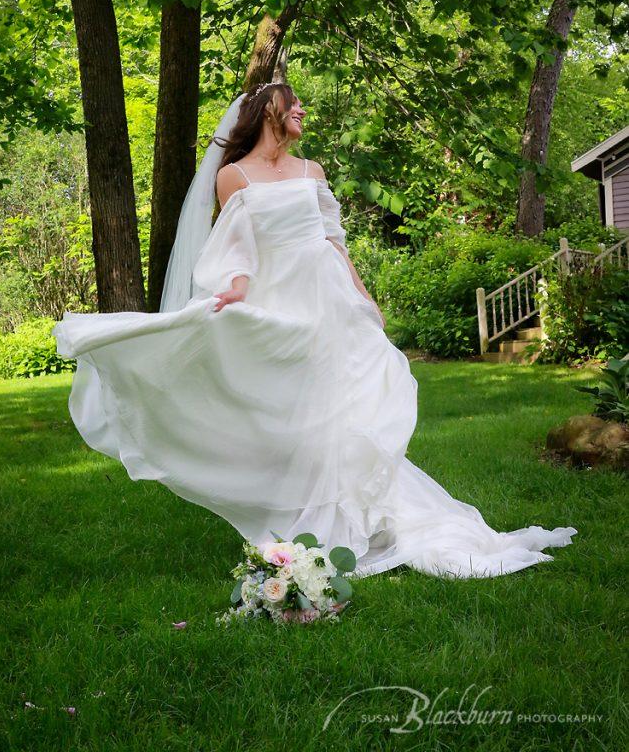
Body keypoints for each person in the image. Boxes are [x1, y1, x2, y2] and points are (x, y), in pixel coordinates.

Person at [52, 82, 576, 580]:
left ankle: (370, 513)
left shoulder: (312, 170)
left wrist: (363, 296)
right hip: (279, 298)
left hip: (329, 298)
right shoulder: (233, 176)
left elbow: (333, 241)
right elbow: (237, 245)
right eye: (293, 102)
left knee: (347, 407)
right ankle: (314, 512)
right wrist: (235, 288)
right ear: (269, 112)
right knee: (297, 413)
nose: (302, 110)